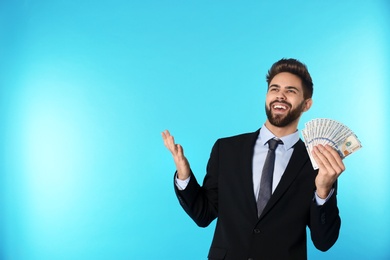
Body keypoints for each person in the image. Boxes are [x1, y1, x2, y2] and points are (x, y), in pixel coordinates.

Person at [162, 58, 345, 260]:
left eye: (291, 91)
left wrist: (323, 190)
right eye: (274, 89)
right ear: (267, 96)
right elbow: (204, 215)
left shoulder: (318, 162)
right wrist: (184, 176)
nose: (281, 96)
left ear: (306, 105)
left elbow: (324, 242)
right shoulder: (226, 149)